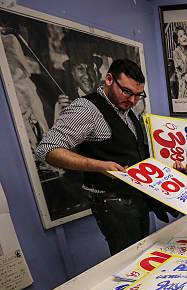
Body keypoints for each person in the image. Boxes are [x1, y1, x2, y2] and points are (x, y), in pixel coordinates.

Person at [35, 59, 177, 255]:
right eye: (127, 92)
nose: (133, 100)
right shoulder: (86, 109)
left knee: (144, 255)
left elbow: (132, 151)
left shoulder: (126, 108)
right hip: (112, 203)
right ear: (109, 79)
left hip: (136, 198)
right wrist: (99, 165)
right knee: (129, 261)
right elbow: (48, 149)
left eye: (138, 95)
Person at [172, 26, 187, 99]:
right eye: (181, 36)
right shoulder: (176, 53)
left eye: (184, 34)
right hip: (184, 87)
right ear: (177, 40)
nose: (184, 37)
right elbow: (184, 69)